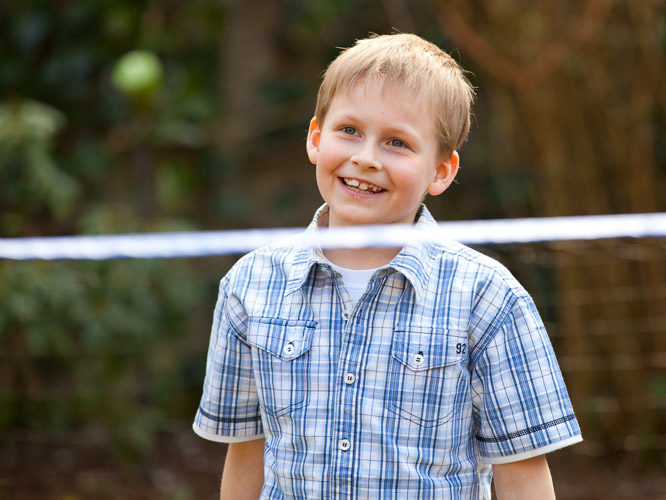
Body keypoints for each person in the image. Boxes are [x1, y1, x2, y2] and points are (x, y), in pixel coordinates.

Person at [193, 33, 582, 499]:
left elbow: (523, 473)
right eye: (349, 131)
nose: (365, 158)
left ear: (441, 171)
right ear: (316, 138)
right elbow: (246, 454)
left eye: (397, 143)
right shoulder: (250, 285)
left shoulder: (489, 297)